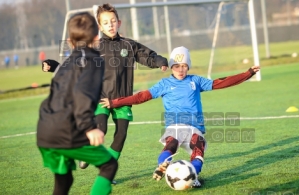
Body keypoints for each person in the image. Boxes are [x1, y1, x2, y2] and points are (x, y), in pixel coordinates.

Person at [99, 46, 260, 188]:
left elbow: (222, 82)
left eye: (184, 66)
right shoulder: (164, 84)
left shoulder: (195, 81)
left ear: (188, 66)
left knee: (198, 148)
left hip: (195, 127)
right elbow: (141, 96)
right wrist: (114, 102)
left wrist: (248, 73)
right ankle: (166, 164)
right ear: (171, 66)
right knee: (172, 142)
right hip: (175, 125)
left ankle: (191, 174)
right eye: (176, 66)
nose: (180, 69)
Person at [42, 3, 168, 175]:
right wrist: (54, 65)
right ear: (100, 26)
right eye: (106, 22)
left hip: (122, 100)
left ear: (119, 23)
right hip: (99, 98)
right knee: (101, 129)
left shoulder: (129, 46)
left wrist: (160, 61)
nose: (110, 25)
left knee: (121, 134)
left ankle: (106, 170)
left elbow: (147, 56)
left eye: (113, 21)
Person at [37, 12, 118, 195]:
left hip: (44, 131)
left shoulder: (65, 64)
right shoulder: (94, 61)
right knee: (108, 165)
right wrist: (89, 127)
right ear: (97, 39)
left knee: (64, 179)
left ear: (70, 42)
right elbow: (83, 92)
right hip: (66, 131)